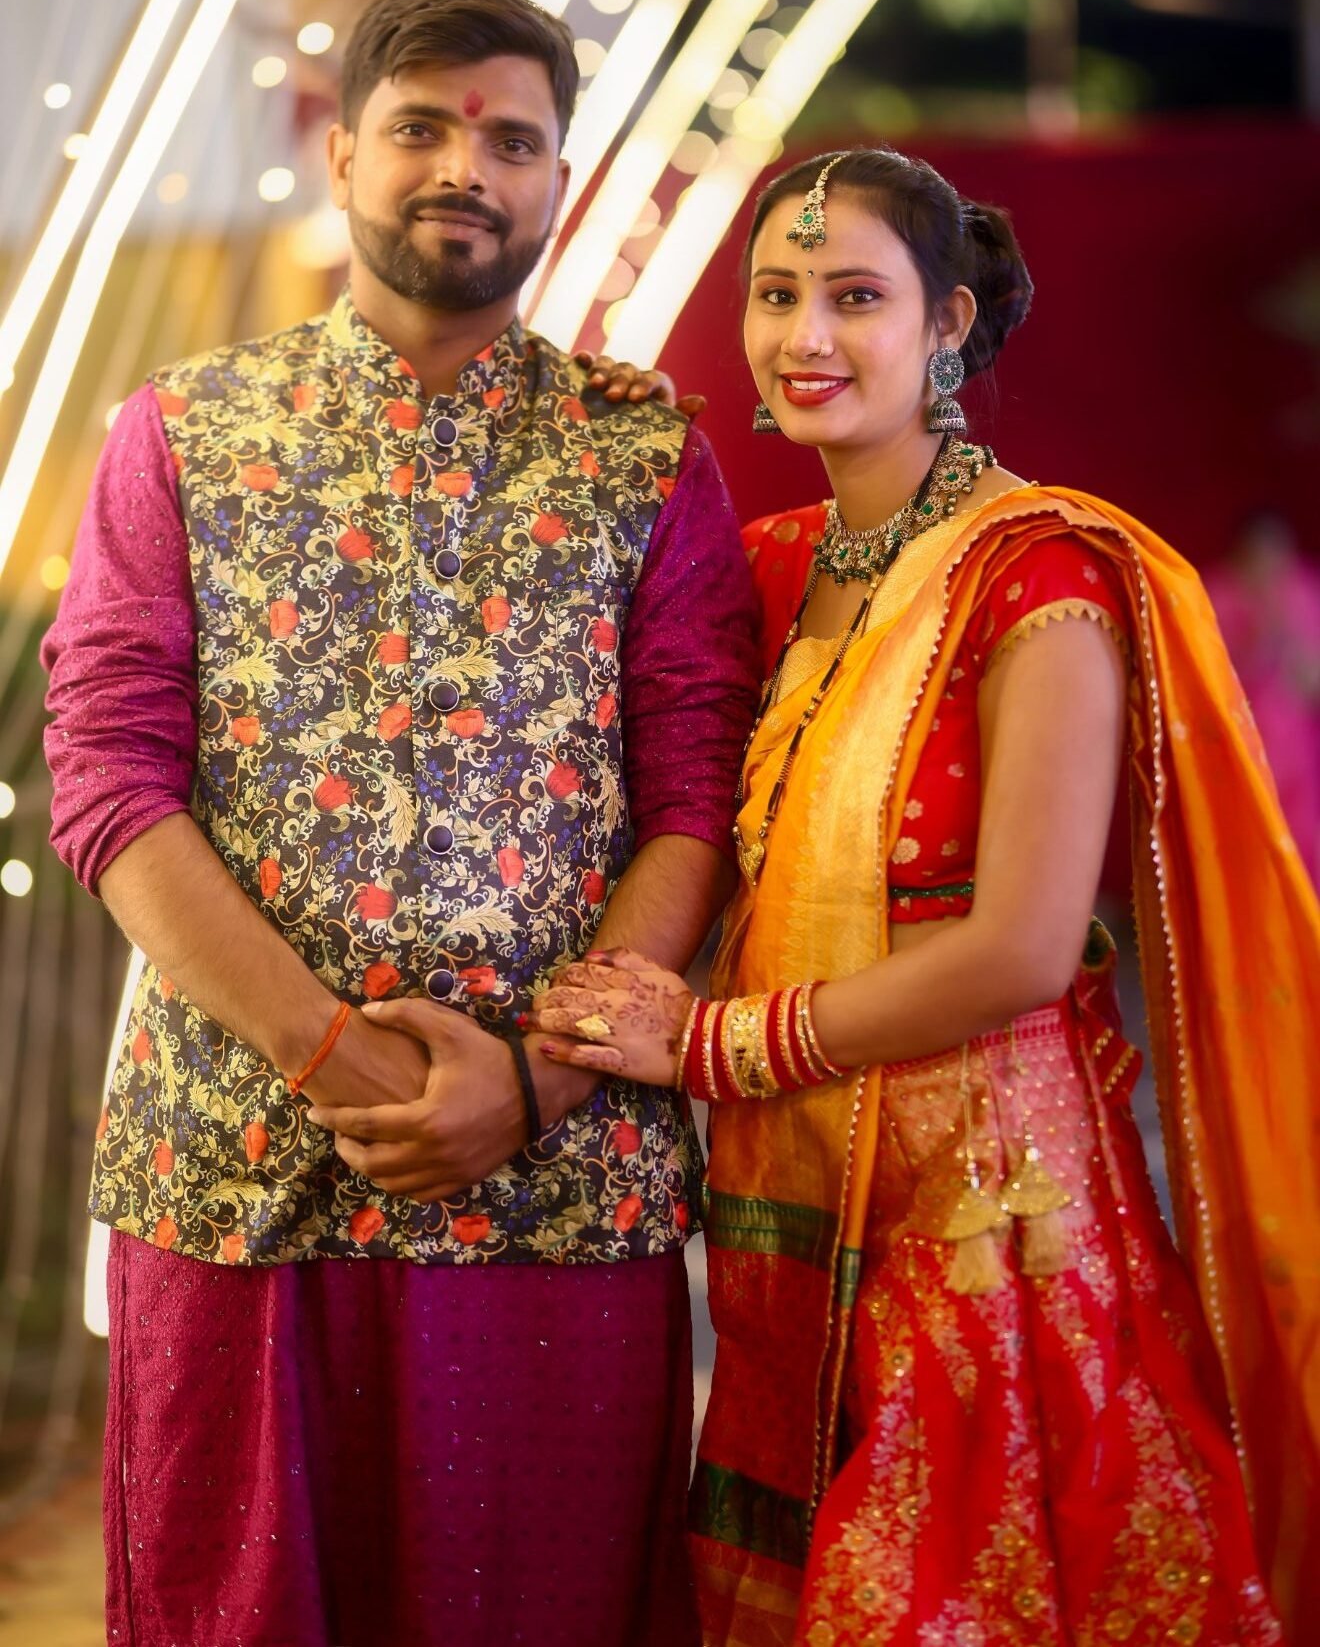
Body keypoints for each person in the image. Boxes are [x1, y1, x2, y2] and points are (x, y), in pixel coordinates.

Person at [41, 0, 761, 1647]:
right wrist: (334, 1058)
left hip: (557, 1187)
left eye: (513, 141)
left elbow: (698, 800)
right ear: (345, 154)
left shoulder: (645, 456)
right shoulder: (184, 434)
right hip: (240, 1167)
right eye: (423, 127)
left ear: (559, 178)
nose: (466, 169)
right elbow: (109, 777)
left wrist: (537, 1081)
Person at [535, 147, 1320, 1645]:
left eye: (855, 298)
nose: (805, 337)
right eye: (777, 296)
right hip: (795, 1202)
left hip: (986, 1223)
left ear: (948, 322)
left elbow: (1024, 947)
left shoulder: (1038, 577)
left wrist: (710, 1044)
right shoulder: (771, 569)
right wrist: (614, 453)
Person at [1205, 511, 1320, 889]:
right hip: (1236, 745)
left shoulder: (1304, 592)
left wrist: (1287, 639)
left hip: (1297, 756)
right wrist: (1255, 640)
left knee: (1302, 844)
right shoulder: (1216, 595)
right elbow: (1206, 677)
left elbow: (1312, 683)